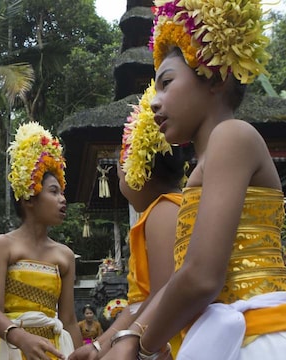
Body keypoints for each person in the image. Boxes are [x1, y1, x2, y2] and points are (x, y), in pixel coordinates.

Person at [105, 1, 286, 359]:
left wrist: (138, 346)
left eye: (166, 83)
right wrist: (125, 335)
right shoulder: (201, 170)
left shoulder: (231, 136)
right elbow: (181, 280)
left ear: (215, 77)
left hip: (254, 339)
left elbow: (201, 277)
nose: (155, 102)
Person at [70, 80, 192, 360]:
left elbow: (163, 295)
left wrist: (127, 343)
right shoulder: (162, 210)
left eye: (121, 166)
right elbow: (141, 302)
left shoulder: (163, 212)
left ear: (138, 167)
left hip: (167, 341)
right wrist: (99, 345)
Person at [0, 122, 83, 360]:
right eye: (53, 191)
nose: (62, 199)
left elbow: (68, 319)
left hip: (52, 350)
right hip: (9, 348)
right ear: (29, 198)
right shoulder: (2, 246)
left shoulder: (65, 255)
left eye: (62, 192)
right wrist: (21, 338)